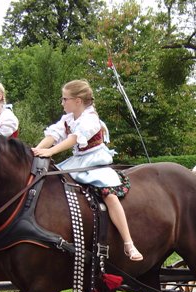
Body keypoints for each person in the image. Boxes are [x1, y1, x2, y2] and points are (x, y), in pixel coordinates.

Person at [31, 79, 143, 261]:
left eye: (64, 99)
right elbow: (53, 135)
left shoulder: (91, 119)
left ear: (78, 101)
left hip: (95, 161)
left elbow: (74, 139)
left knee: (109, 194)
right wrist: (35, 152)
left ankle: (129, 243)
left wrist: (50, 152)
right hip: (77, 161)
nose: (62, 102)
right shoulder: (67, 118)